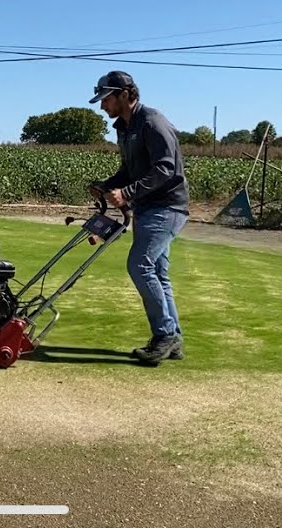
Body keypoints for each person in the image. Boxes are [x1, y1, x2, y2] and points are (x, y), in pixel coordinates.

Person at [87, 70, 190, 365]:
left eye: (106, 99)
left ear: (124, 95)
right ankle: (173, 339)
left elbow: (165, 168)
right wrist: (107, 185)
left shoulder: (152, 122)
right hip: (147, 207)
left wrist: (127, 193)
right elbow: (129, 170)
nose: (102, 105)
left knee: (139, 265)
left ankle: (164, 335)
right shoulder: (124, 127)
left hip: (167, 207)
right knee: (157, 272)